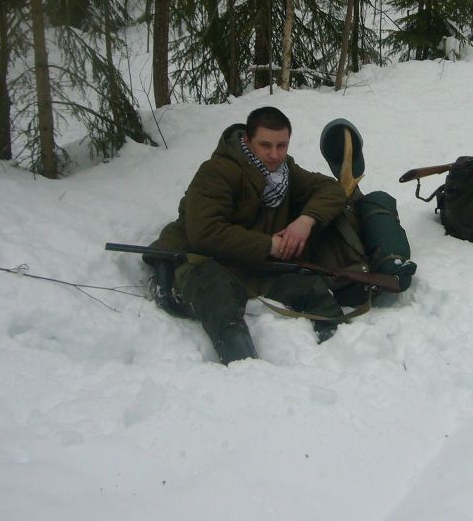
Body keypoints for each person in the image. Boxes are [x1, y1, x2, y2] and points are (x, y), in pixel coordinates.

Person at [148, 106, 355, 364]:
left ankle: (340, 359)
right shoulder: (217, 172)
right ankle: (244, 371)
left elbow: (331, 190)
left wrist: (306, 220)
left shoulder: (285, 171)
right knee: (220, 301)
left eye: (282, 145)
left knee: (312, 288)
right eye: (265, 145)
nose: (274, 154)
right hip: (202, 262)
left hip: (255, 265)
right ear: (247, 140)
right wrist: (269, 245)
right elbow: (205, 233)